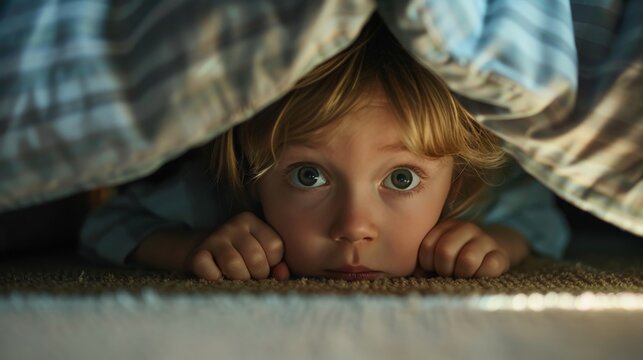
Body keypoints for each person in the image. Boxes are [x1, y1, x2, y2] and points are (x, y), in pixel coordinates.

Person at [80, 16, 569, 281]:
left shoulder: (470, 199)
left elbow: (543, 216)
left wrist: (497, 242)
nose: (353, 227)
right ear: (254, 168)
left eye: (401, 178)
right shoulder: (222, 197)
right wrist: (190, 251)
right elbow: (105, 223)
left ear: (455, 180)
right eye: (309, 175)